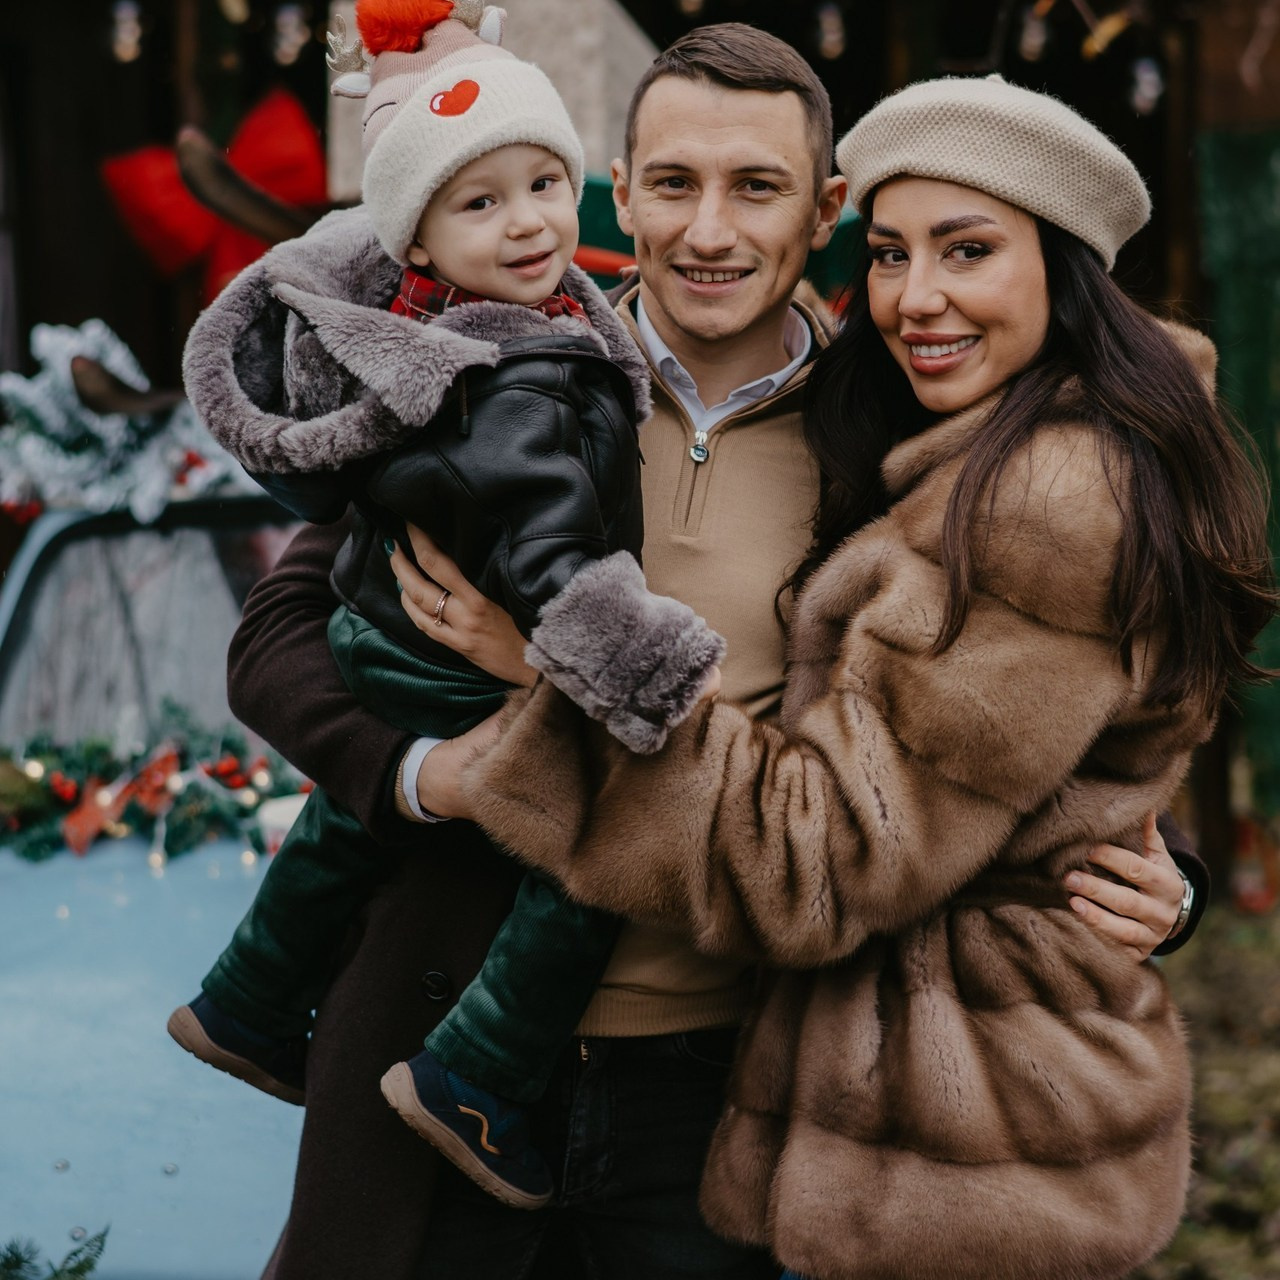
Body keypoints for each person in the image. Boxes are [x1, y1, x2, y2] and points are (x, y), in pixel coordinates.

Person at [229, 29, 1205, 1280]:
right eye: (674, 183)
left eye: (756, 187)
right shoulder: (500, 372)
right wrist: (425, 772)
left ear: (824, 208)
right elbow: (278, 632)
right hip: (433, 1013)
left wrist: (1156, 875)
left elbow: (1009, 714)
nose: (708, 230)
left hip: (719, 1074)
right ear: (620, 190)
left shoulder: (897, 427)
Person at [167, 0, 723, 1213]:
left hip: (393, 642)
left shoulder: (453, 339)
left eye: (540, 183)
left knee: (344, 828)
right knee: (596, 847)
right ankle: (473, 1068)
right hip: (435, 800)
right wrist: (469, 742)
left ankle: (247, 999)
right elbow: (548, 553)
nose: (527, 220)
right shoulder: (521, 367)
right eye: (481, 204)